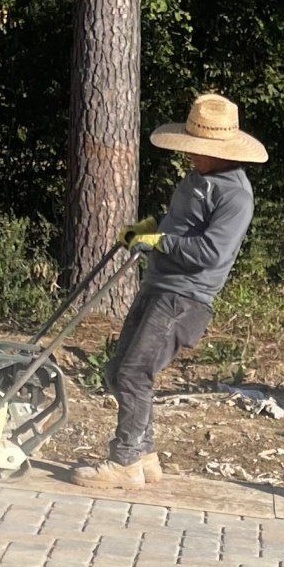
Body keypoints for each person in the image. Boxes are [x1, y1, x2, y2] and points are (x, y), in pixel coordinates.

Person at [74, 92, 266, 493]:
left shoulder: (235, 196)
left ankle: (124, 461)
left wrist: (158, 240)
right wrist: (145, 230)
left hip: (186, 298)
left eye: (199, 150)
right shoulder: (198, 179)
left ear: (221, 149)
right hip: (159, 286)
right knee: (117, 370)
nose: (191, 156)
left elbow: (210, 252)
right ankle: (143, 454)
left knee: (132, 373)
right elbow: (176, 226)